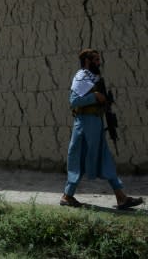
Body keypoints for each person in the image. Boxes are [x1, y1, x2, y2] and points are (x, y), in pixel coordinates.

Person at [60, 49, 143, 209]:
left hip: (96, 124)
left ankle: (121, 198)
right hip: (84, 125)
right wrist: (95, 97)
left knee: (105, 158)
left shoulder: (95, 79)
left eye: (99, 59)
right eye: (96, 60)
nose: (99, 63)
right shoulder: (82, 77)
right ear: (87, 61)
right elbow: (74, 101)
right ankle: (67, 195)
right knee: (77, 158)